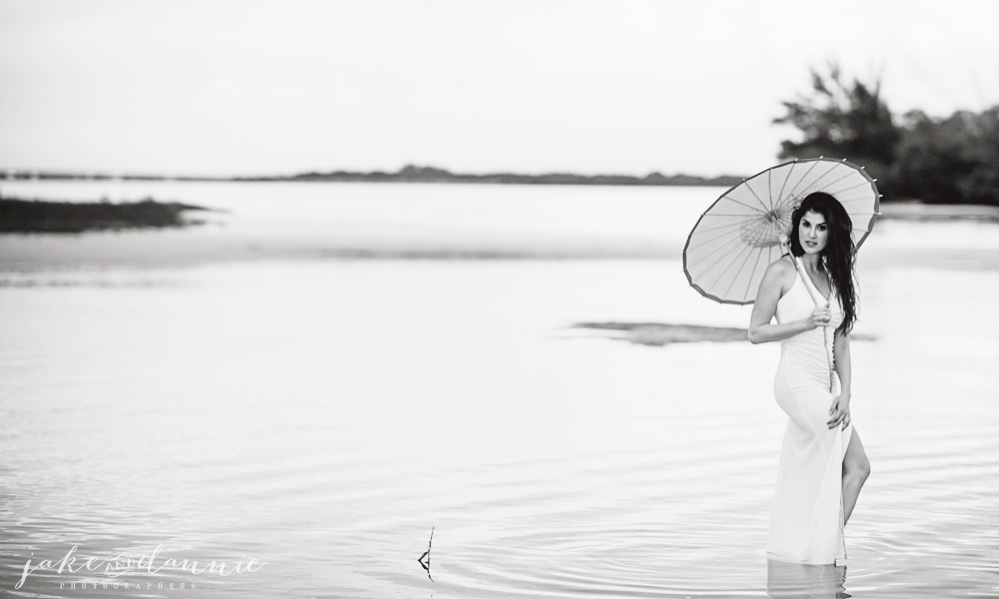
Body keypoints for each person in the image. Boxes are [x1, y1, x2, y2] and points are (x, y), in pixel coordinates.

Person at [747, 191, 871, 566]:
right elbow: (755, 332)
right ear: (796, 225)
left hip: (826, 386)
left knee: (819, 472)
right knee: (858, 466)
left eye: (821, 227)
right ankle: (824, 551)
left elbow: (842, 344)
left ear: (833, 233)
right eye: (805, 224)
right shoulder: (782, 271)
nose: (811, 234)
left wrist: (846, 392)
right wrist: (804, 321)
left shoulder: (836, 275)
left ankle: (805, 550)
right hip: (796, 383)